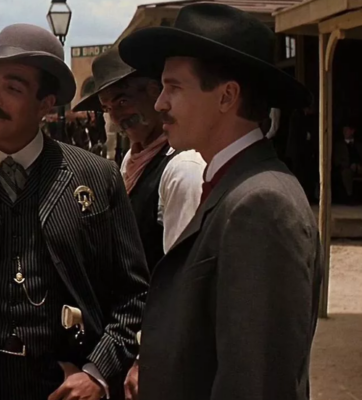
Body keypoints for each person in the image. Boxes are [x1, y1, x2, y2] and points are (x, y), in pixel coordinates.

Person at [0, 23, 149, 400]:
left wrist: (98, 373)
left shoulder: (97, 178)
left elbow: (133, 295)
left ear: (46, 104)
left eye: (12, 88)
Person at [119, 4, 323, 400]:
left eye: (174, 88)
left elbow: (255, 382)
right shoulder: (232, 186)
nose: (160, 104)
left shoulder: (261, 204)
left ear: (227, 96)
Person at [73, 46, 206, 399]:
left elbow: (182, 280)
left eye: (123, 100)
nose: (118, 115)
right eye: (108, 108)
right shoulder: (131, 163)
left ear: (154, 92)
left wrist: (148, 356)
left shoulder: (181, 170)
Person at [333, 119, 362, 204]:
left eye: (347, 130)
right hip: (346, 168)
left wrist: (358, 165)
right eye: (344, 130)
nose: (345, 132)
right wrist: (349, 165)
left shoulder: (358, 145)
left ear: (352, 131)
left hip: (359, 167)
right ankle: (349, 197)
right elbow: (337, 161)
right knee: (346, 173)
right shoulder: (339, 145)